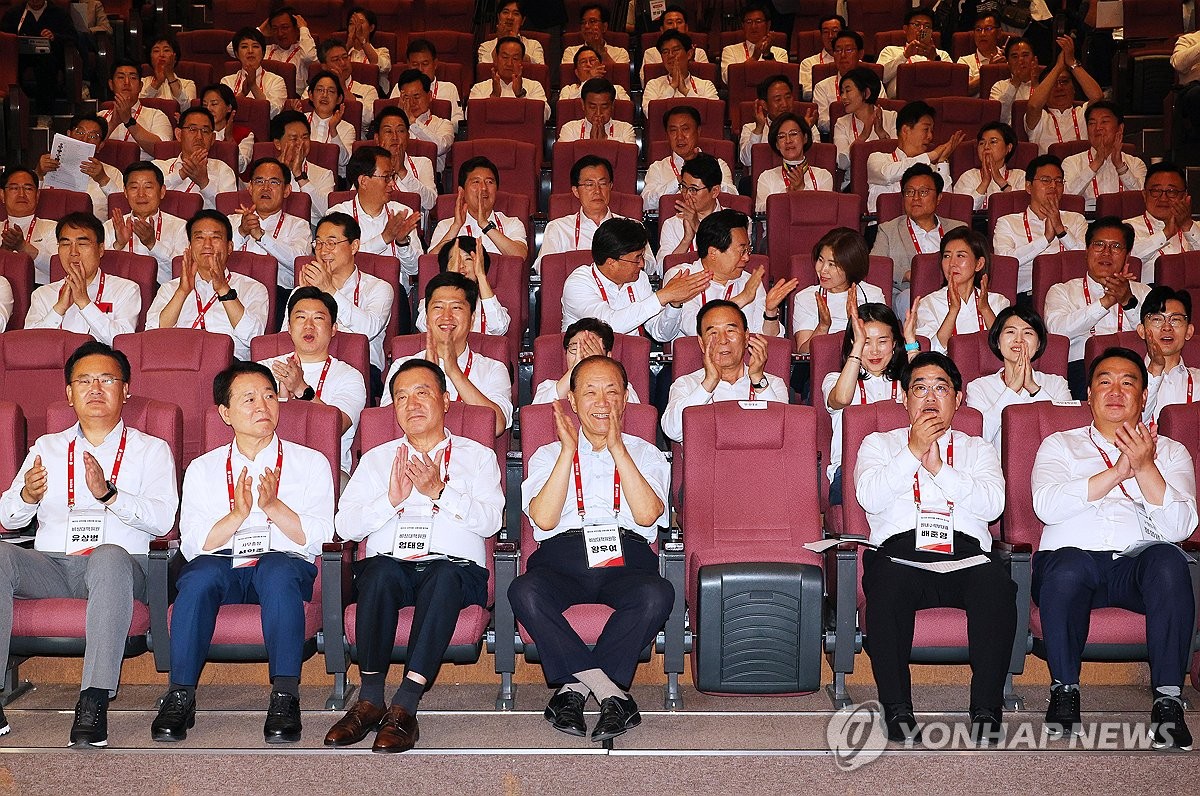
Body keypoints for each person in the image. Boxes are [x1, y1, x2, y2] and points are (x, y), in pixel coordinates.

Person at [0, 341, 177, 746]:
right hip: (54, 566)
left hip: (121, 567)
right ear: (69, 393)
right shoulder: (47, 447)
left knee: (108, 555)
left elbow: (164, 520)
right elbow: (10, 519)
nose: (95, 389)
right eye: (84, 381)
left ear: (126, 389)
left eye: (106, 379)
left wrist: (110, 495)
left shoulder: (152, 450)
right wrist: (26, 497)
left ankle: (93, 698)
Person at [324, 359, 502, 753]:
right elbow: (347, 526)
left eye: (422, 392)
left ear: (445, 399)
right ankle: (370, 700)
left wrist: (441, 491)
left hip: (455, 568)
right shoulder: (375, 459)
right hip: (392, 562)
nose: (412, 403)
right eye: (401, 397)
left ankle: (405, 704)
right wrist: (391, 500)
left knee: (441, 575)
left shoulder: (477, 456)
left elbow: (491, 521)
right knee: (379, 572)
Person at [151, 361, 334, 744]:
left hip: (281, 562)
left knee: (279, 572)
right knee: (197, 579)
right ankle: (180, 694)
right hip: (223, 562)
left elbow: (319, 538)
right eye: (248, 399)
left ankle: (285, 695)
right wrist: (237, 514)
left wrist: (273, 508)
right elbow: (195, 542)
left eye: (269, 395)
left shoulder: (311, 463)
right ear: (225, 413)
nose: (262, 406)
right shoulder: (203, 468)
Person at [1031, 347, 1196, 749]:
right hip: (1072, 560)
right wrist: (1117, 472)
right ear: (1088, 394)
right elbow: (1046, 506)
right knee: (1067, 567)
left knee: (1170, 560)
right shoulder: (1059, 446)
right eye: (1105, 381)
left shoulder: (1171, 452)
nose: (1116, 390)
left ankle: (1169, 701)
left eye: (1128, 382)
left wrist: (1144, 467)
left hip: (1137, 565)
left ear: (1143, 397)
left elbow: (1182, 524)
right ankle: (1065, 690)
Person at [854, 351, 1012, 746]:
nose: (929, 396)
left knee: (996, 585)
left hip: (966, 552)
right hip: (900, 551)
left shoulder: (978, 449)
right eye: (919, 387)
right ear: (904, 397)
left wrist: (941, 469)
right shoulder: (878, 444)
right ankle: (897, 710)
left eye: (940, 388)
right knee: (886, 587)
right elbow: (869, 497)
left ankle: (986, 709)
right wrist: (912, 451)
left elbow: (994, 506)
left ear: (958, 399)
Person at [512, 356, 673, 742]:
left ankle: (571, 691)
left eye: (612, 391)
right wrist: (569, 453)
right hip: (563, 558)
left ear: (625, 398)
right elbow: (545, 520)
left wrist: (618, 449)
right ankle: (609, 693)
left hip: (626, 558)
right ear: (572, 399)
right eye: (590, 391)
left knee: (658, 594)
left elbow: (650, 515)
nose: (602, 401)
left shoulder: (647, 453)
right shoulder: (548, 454)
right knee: (524, 591)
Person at [380, 272, 512, 437]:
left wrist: (453, 371)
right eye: (438, 307)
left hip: (470, 460)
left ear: (472, 318)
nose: (446, 316)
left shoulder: (493, 368)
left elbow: (497, 426)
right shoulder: (402, 366)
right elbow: (387, 424)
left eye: (456, 307)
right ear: (427, 318)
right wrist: (426, 376)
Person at [258, 287, 366, 478]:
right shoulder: (262, 370)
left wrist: (301, 389)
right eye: (300, 318)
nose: (309, 326)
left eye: (318, 318)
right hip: (265, 464)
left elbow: (336, 428)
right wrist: (282, 401)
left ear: (333, 329)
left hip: (326, 469)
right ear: (289, 328)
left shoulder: (350, 376)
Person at [1044, 217, 1152, 397]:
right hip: (1082, 369)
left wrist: (1127, 302)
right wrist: (1104, 303)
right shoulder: (1062, 291)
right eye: (1099, 244)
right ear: (1086, 251)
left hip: (1134, 369)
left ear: (1128, 255)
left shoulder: (1143, 293)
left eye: (1116, 246)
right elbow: (1057, 331)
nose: (1106, 253)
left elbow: (1154, 335)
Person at [145, 210, 270, 360]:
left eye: (215, 237)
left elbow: (254, 337)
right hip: (178, 363)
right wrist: (182, 292)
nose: (207, 245)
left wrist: (224, 289)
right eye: (199, 238)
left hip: (229, 368)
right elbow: (151, 335)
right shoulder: (170, 288)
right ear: (190, 248)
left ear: (230, 247)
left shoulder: (253, 288)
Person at [823, 302, 914, 505]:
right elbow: (842, 399)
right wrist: (857, 346)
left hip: (902, 468)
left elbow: (926, 392)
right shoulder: (835, 380)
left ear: (894, 344)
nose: (874, 351)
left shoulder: (905, 385)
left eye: (882, 341)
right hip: (849, 471)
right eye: (866, 342)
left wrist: (910, 342)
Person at [661, 300, 789, 442]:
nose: (723, 340)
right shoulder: (686, 384)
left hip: (761, 462)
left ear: (746, 337)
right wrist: (709, 383)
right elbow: (673, 432)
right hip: (708, 464)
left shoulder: (771, 383)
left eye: (730, 331)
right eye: (713, 332)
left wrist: (758, 380)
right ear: (701, 343)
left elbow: (782, 432)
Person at [561, 217, 708, 340]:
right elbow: (608, 326)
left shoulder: (639, 278)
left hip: (631, 360)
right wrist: (663, 295)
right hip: (588, 365)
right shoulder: (578, 283)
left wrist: (675, 305)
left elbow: (661, 335)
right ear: (611, 262)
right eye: (637, 258)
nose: (642, 264)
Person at [660, 209, 793, 341]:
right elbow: (694, 328)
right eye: (741, 251)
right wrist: (742, 299)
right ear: (713, 253)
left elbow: (768, 339)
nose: (747, 257)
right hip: (695, 359)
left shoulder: (750, 282)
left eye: (748, 250)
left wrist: (770, 313)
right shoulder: (682, 277)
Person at [294, 212, 395, 384]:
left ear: (354, 246)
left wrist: (328, 290)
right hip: (308, 367)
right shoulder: (303, 288)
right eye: (318, 243)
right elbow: (286, 333)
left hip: (360, 371)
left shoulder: (378, 288)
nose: (323, 250)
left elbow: (368, 330)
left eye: (331, 243)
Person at [965, 306, 1073, 449]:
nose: (1019, 340)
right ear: (997, 341)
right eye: (1010, 332)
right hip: (996, 468)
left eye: (1028, 333)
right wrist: (1011, 390)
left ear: (1039, 343)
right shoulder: (978, 387)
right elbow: (978, 437)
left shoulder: (1057, 383)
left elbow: (1068, 433)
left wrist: (1034, 388)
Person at [25, 213, 140, 345]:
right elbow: (30, 346)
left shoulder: (125, 290)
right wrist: (59, 309)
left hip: (101, 364)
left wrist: (85, 303)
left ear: (101, 249)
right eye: (66, 244)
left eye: (82, 243)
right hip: (55, 365)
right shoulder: (42, 295)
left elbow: (123, 343)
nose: (74, 252)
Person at [871, 164, 966, 317]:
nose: (915, 198)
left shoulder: (958, 229)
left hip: (953, 289)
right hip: (911, 294)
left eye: (923, 192)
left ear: (939, 197)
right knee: (907, 298)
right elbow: (875, 267)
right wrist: (907, 274)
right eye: (909, 192)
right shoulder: (889, 230)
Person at [992, 155, 1088, 298]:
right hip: (1026, 298)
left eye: (1058, 181)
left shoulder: (1076, 219)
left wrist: (1061, 230)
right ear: (1029, 187)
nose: (1053, 186)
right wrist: (1046, 239)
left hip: (1070, 298)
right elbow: (1005, 263)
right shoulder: (1007, 223)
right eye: (1045, 180)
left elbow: (1085, 259)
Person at [536, 155, 649, 275]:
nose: (597, 191)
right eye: (589, 185)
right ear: (576, 191)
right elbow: (542, 267)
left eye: (603, 183)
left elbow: (650, 266)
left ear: (610, 186)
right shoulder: (558, 228)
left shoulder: (632, 227)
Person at [329, 147, 422, 282]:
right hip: (348, 291)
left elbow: (415, 269)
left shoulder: (401, 213)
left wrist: (402, 243)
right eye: (386, 177)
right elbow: (338, 261)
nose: (392, 183)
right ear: (364, 181)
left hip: (395, 293)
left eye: (392, 176)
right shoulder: (337, 216)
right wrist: (384, 238)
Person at [792, 227, 886, 354]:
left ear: (851, 267)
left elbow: (880, 346)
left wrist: (853, 323)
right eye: (820, 260)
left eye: (832, 264)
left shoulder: (873, 296)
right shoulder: (805, 297)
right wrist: (823, 326)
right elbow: (803, 352)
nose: (823, 269)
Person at [915, 228, 1010, 353]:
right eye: (947, 256)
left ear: (979, 264)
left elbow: (1007, 348)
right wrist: (953, 311)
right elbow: (928, 352)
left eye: (960, 256)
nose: (952, 263)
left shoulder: (998, 301)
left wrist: (985, 310)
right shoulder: (928, 303)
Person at [230, 157, 311, 295]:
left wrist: (262, 237)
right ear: (250, 188)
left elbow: (300, 263)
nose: (265, 188)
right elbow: (216, 256)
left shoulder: (298, 225)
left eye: (274, 182)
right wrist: (241, 232)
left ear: (286, 190)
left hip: (278, 293)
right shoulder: (231, 221)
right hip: (234, 288)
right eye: (259, 181)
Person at [867, 100, 962, 213]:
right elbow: (887, 175)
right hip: (884, 228)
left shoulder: (931, 168)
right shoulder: (878, 159)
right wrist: (932, 155)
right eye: (926, 129)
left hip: (922, 228)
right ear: (905, 130)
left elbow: (946, 205)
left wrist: (942, 161)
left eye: (932, 131)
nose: (930, 136)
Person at [104, 162, 190, 285]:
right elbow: (98, 270)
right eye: (134, 188)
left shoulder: (181, 228)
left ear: (162, 192)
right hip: (119, 296)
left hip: (163, 296)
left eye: (148, 187)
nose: (141, 194)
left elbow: (181, 273)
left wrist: (153, 244)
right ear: (125, 192)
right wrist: (118, 245)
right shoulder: (110, 227)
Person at [642, 105, 736, 212]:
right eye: (673, 131)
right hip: (671, 226)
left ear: (698, 131)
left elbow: (732, 197)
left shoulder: (718, 165)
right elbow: (645, 204)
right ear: (667, 135)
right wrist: (677, 182)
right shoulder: (657, 168)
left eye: (685, 129)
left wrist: (705, 177)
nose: (679, 137)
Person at [429, 157, 528, 259]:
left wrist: (485, 225)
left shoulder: (512, 224)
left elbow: (520, 257)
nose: (483, 188)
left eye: (489, 182)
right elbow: (430, 264)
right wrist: (456, 227)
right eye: (476, 182)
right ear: (462, 191)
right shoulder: (446, 226)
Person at [1061, 101, 1147, 213]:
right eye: (1092, 123)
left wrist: (1120, 167)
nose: (1098, 128)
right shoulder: (1071, 162)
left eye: (1104, 122)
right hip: (1088, 224)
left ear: (1120, 128)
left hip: (1126, 224)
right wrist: (1096, 163)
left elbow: (1143, 199)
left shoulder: (1135, 163)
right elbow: (1065, 199)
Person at [415, 236, 510, 337]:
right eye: (454, 260)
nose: (461, 265)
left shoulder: (490, 303)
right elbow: (424, 326)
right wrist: (452, 277)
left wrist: (481, 275)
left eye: (468, 259)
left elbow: (499, 328)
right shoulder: (431, 301)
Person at [1023, 35, 1103, 154]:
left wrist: (1071, 63)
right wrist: (1058, 67)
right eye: (1053, 84)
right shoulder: (1041, 118)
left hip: (1085, 170)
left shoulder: (1083, 112)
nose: (1059, 87)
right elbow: (1034, 105)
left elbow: (1097, 96)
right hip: (1050, 171)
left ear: (1074, 89)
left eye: (1064, 81)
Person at [35, 112, 122, 220]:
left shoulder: (112, 173)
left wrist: (103, 179)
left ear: (100, 146)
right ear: (69, 134)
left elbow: (122, 207)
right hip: (50, 233)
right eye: (80, 132)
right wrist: (38, 174)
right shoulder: (46, 166)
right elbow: (29, 204)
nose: (84, 140)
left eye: (93, 136)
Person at [532, 317, 640, 404]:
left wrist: (598, 365)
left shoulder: (622, 387)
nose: (582, 355)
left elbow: (636, 419)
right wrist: (576, 369)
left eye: (590, 349)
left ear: (608, 357)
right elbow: (537, 418)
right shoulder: (549, 386)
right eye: (575, 349)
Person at [1125, 162, 1200, 283]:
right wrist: (1166, 234)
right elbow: (1123, 259)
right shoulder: (1126, 228)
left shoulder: (1196, 228)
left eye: (1171, 191)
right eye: (1156, 191)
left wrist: (1187, 226)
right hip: (1147, 299)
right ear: (1144, 195)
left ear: (1185, 196)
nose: (1163, 198)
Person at [152, 107, 239, 210]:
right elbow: (148, 193)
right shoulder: (158, 167)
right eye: (192, 129)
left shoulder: (223, 170)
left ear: (213, 139)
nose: (199, 137)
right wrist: (181, 174)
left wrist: (204, 183)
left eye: (205, 131)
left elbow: (229, 210)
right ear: (179, 135)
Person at [1137, 287, 1200, 424]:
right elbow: (1131, 424)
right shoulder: (1126, 381)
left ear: (1189, 331)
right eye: (1157, 319)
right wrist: (1155, 368)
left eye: (1175, 320)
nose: (1167, 327)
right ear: (1141, 331)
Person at [2, 0, 76, 115]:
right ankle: (14, 113)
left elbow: (72, 38)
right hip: (21, 56)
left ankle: (45, 115)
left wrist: (54, 37)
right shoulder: (14, 13)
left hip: (48, 57)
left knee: (46, 65)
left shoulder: (59, 13)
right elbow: (4, 38)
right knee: (11, 67)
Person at [754, 113, 834, 213]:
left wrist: (802, 190)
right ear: (777, 145)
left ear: (805, 138)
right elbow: (759, 211)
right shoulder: (766, 177)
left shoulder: (823, 176)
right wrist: (786, 196)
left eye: (793, 134)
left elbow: (826, 211)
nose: (788, 140)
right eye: (782, 136)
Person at [658, 153, 729, 258]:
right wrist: (686, 240)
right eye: (683, 187)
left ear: (715, 191)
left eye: (693, 189)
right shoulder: (672, 224)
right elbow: (663, 269)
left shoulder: (735, 224)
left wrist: (698, 227)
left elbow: (731, 263)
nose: (686, 195)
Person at [271, 110, 335, 227]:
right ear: (278, 144)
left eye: (305, 137)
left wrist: (299, 175)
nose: (300, 143)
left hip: (309, 229)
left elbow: (325, 212)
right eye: (293, 138)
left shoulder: (324, 174)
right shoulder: (264, 172)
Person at [832, 67, 897, 182]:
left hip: (887, 182)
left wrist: (881, 134)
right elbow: (841, 163)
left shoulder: (891, 117)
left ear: (866, 93)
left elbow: (898, 157)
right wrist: (863, 136)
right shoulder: (841, 123)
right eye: (842, 92)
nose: (843, 97)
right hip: (854, 183)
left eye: (848, 91)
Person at [99, 59, 173, 158]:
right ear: (111, 84)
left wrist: (129, 121)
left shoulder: (156, 116)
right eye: (121, 77)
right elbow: (86, 150)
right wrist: (112, 124)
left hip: (143, 171)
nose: (126, 82)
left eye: (133, 78)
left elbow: (163, 151)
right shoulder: (99, 116)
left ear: (140, 86)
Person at [468, 37, 550, 123]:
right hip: (488, 135)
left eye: (515, 58)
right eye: (505, 57)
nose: (509, 63)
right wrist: (494, 97)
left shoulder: (534, 87)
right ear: (495, 59)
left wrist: (520, 95)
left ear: (521, 62)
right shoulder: (479, 88)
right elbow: (471, 117)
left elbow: (543, 116)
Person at [389, 70, 453, 177]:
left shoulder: (443, 124)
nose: (412, 103)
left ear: (430, 96)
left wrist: (413, 122)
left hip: (429, 180)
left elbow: (439, 147)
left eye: (417, 97)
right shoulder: (391, 126)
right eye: (406, 98)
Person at [813, 31, 877, 137]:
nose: (842, 55)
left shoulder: (873, 83)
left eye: (848, 50)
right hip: (839, 135)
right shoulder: (822, 87)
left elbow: (879, 111)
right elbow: (822, 123)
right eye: (838, 50)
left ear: (860, 54)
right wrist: (848, 119)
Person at [877, 7, 953, 97]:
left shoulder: (941, 54)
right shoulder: (890, 51)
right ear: (905, 29)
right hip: (902, 103)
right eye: (917, 25)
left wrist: (935, 60)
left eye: (927, 26)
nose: (922, 29)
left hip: (934, 100)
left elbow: (951, 82)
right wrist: (905, 56)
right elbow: (881, 77)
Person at [0, 167, 58, 284]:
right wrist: (4, 251)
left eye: (28, 188)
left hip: (40, 292)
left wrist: (24, 247)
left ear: (37, 195)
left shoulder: (53, 228)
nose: (21, 194)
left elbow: (60, 268)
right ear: (2, 195)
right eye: (14, 188)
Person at [640, 30, 719, 115]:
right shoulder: (653, 85)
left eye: (676, 50)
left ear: (689, 54)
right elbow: (651, 114)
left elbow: (713, 114)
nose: (670, 55)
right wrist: (672, 87)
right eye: (665, 52)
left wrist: (686, 91)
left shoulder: (706, 85)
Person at [953, 122, 1025, 211]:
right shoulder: (968, 176)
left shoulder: (1020, 176)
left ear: (1008, 148)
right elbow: (961, 211)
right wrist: (984, 183)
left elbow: (1022, 207)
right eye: (982, 143)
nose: (986, 147)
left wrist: (1001, 182)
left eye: (993, 142)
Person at [315, 37, 380, 134]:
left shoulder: (368, 90)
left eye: (345, 57)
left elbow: (369, 119)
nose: (342, 63)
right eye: (336, 60)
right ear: (324, 66)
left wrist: (343, 88)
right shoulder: (314, 91)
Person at [221, 27, 288, 118]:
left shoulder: (276, 81)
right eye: (244, 47)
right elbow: (223, 113)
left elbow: (273, 113)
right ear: (236, 53)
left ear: (263, 53)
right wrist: (243, 94)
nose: (250, 51)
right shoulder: (227, 81)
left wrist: (253, 86)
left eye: (255, 46)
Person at [739, 74, 800, 170]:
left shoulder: (807, 126)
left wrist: (805, 132)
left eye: (788, 97)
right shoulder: (750, 128)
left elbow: (815, 160)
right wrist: (759, 128)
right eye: (778, 99)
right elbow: (746, 160)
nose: (784, 104)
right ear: (764, 105)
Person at [400, 38, 464, 127]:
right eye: (415, 65)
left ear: (435, 64)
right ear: (408, 64)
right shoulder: (400, 88)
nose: (420, 69)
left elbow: (458, 122)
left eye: (425, 64)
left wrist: (434, 126)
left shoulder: (449, 89)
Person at [719, 2, 788, 84]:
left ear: (768, 25)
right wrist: (755, 56)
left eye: (758, 21)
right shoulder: (730, 51)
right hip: (741, 96)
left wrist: (767, 54)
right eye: (749, 22)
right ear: (743, 26)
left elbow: (783, 80)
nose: (753, 26)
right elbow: (728, 79)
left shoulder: (781, 53)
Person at [639, 5, 709, 84]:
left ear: (686, 28)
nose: (675, 26)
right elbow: (645, 82)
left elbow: (705, 82)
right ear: (662, 29)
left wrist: (690, 62)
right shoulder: (651, 53)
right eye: (670, 23)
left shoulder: (699, 52)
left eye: (679, 22)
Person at [304, 71, 355, 175]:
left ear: (339, 99)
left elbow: (345, 162)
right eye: (320, 90)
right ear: (310, 95)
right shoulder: (301, 120)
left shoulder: (347, 128)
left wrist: (333, 130)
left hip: (334, 180)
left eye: (331, 91)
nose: (325, 95)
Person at [561, 78, 636, 145]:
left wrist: (604, 139)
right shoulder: (570, 129)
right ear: (583, 105)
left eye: (604, 107)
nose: (598, 113)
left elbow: (628, 158)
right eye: (592, 107)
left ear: (612, 105)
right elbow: (564, 158)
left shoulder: (625, 129)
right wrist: (591, 143)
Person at [201, 84, 255, 174]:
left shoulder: (245, 134)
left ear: (229, 108)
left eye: (214, 104)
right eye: (204, 105)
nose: (208, 109)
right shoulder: (198, 133)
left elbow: (241, 168)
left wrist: (230, 139)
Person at [479, 1, 545, 64]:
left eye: (516, 14)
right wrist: (501, 40)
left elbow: (540, 71)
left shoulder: (534, 46)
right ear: (498, 17)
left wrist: (515, 41)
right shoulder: (485, 47)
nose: (510, 17)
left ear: (523, 20)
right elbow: (485, 70)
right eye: (505, 12)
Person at [989, 37, 1036, 125]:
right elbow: (996, 118)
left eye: (1025, 55)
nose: (1020, 60)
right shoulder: (999, 87)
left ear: (1034, 59)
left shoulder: (1045, 85)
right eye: (1015, 57)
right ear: (1008, 62)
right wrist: (1015, 81)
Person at [562, 4, 630, 65]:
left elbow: (618, 77)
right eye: (583, 22)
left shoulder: (620, 53)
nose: (586, 26)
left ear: (604, 27)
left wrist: (601, 51)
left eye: (592, 21)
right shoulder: (571, 52)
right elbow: (569, 77)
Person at [141, 35, 196, 110]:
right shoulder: (141, 82)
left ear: (175, 57)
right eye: (156, 51)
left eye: (166, 50)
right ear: (150, 57)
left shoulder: (187, 84)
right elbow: (136, 108)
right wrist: (157, 83)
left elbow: (188, 109)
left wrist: (170, 77)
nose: (161, 55)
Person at [958, 13, 1007, 96]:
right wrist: (989, 72)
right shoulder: (965, 61)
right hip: (976, 107)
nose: (982, 34)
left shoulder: (1009, 59)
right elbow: (963, 91)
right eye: (978, 29)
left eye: (988, 28)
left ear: (999, 33)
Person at [561, 45, 632, 102]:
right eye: (583, 62)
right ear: (576, 72)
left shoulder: (618, 89)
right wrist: (589, 80)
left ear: (601, 67)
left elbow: (625, 111)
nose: (588, 64)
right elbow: (565, 110)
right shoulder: (568, 91)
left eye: (592, 60)